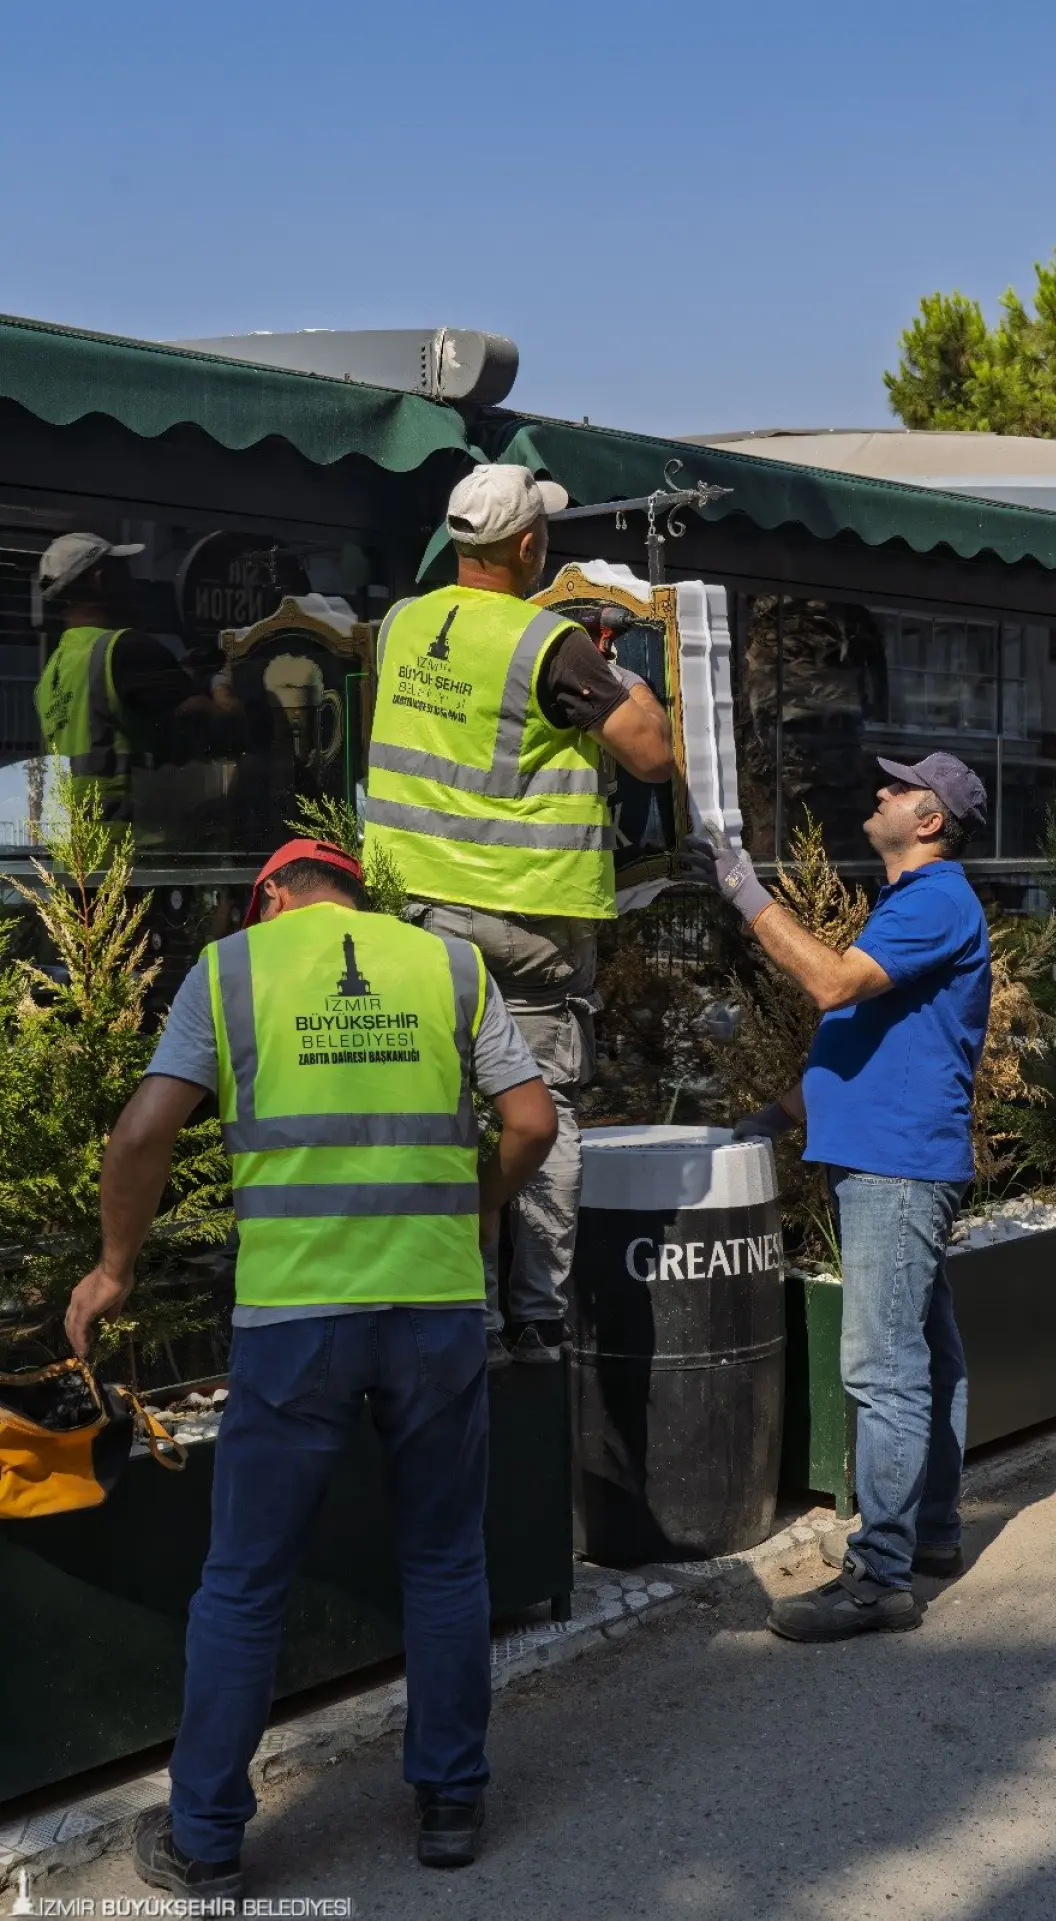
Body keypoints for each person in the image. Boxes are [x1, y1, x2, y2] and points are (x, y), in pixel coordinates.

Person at [64, 836, 558, 1896]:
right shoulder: (449, 965)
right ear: (345, 888)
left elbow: (145, 1129)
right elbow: (531, 1120)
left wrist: (112, 1269)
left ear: (273, 895)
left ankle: (204, 1839)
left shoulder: (233, 969)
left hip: (297, 1320)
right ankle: (450, 1803)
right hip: (433, 1311)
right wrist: (474, 1206)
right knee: (444, 1560)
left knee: (244, 1581)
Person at [365, 464, 674, 1366]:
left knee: (446, 1109)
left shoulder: (400, 626)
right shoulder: (553, 647)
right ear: (530, 544)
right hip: (529, 925)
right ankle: (538, 1316)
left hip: (416, 916)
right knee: (543, 1109)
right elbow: (650, 755)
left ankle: (470, 1314)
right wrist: (625, 676)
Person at [687, 753, 991, 1642]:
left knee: (882, 1369)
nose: (882, 792)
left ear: (929, 821)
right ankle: (930, 1531)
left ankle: (879, 1579)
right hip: (895, 1156)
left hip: (895, 1167)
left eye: (899, 788)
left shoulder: (935, 899)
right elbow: (864, 1037)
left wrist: (748, 893)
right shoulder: (910, 906)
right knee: (926, 1352)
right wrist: (773, 1117)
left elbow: (829, 985)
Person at [34, 532, 237, 830]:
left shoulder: (53, 671)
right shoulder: (127, 649)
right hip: (135, 852)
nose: (134, 584)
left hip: (79, 853)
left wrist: (177, 675)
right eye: (124, 573)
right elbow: (222, 725)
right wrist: (223, 680)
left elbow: (112, 717)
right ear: (101, 581)